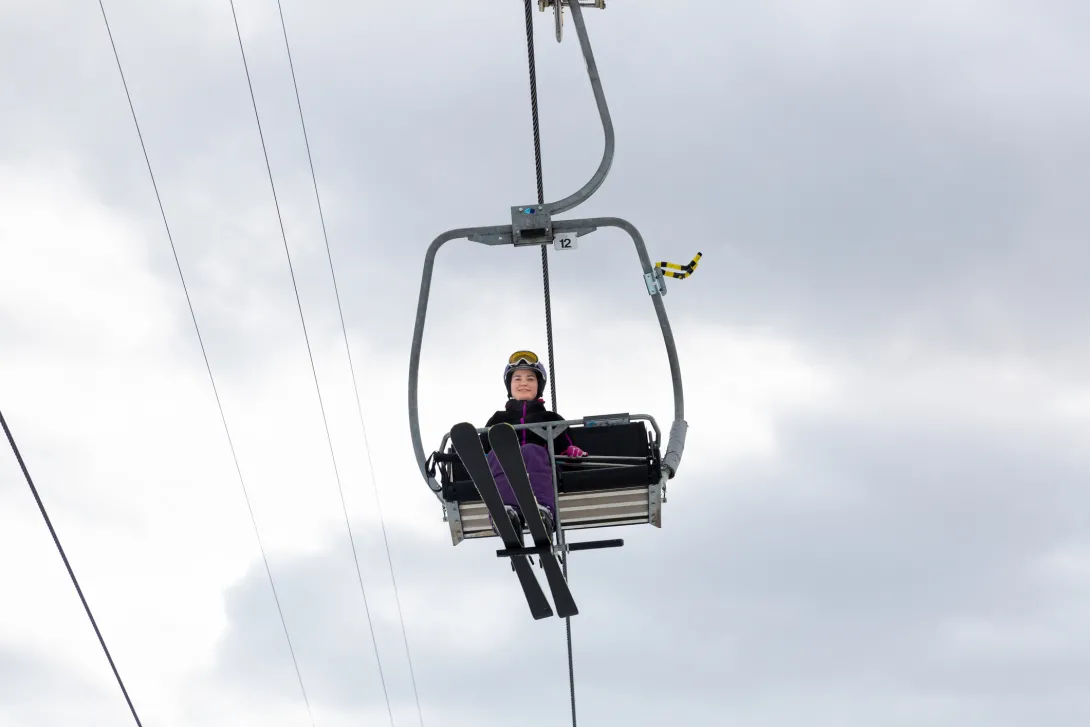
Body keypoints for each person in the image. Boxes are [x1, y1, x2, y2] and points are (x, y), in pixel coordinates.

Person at [481, 350, 587, 539]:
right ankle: (505, 514)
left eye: (530, 379)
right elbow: (483, 447)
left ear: (539, 386)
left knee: (531, 451)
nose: (524, 383)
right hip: (505, 465)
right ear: (510, 386)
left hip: (539, 466)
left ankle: (543, 511)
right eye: (517, 379)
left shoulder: (550, 418)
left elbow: (565, 443)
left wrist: (571, 450)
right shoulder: (498, 419)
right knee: (498, 456)